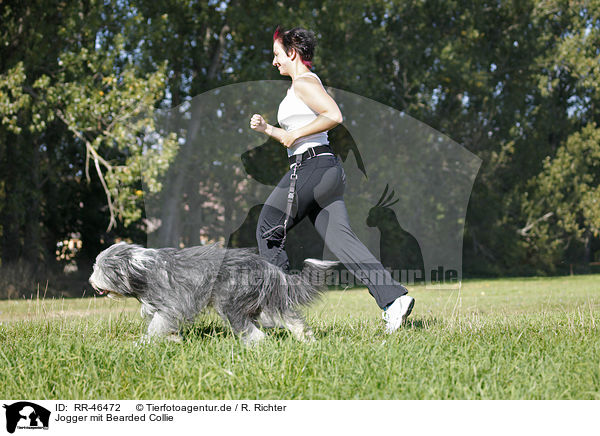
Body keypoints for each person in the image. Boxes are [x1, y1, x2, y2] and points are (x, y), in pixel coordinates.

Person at [249, 26, 414, 333]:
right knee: (342, 241)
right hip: (323, 169)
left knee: (267, 227)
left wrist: (295, 133)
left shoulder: (304, 83)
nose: (274, 62)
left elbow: (334, 115)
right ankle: (394, 300)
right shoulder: (300, 85)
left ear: (292, 53)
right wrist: (267, 129)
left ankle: (277, 307)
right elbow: (294, 136)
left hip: (311, 167)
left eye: (277, 55)